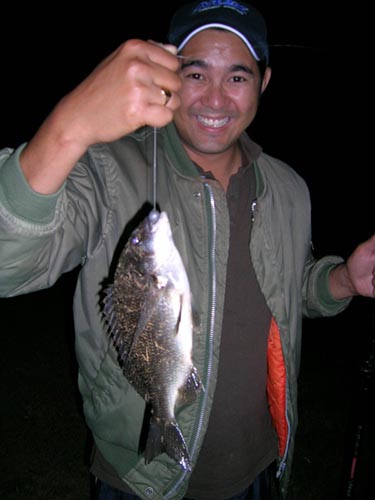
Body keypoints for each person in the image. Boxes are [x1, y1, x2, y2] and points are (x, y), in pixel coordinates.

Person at [0, 1, 374, 499]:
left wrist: (344, 279)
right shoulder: (110, 169)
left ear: (263, 84)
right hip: (139, 476)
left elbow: (291, 285)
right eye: (195, 73)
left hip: (258, 464)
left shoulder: (288, 188)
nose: (214, 100)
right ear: (167, 78)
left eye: (237, 78)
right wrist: (69, 127)